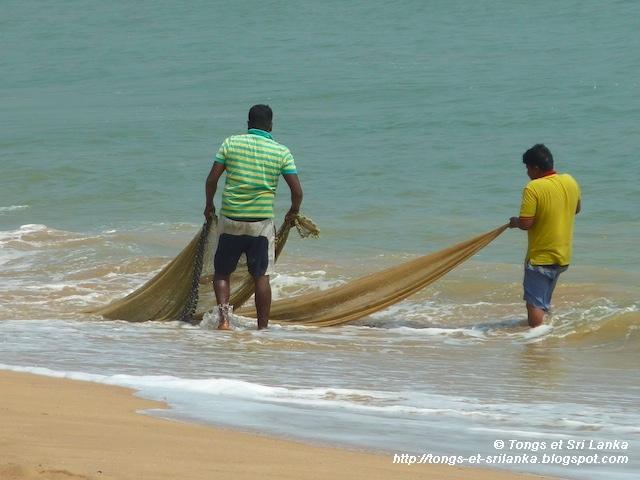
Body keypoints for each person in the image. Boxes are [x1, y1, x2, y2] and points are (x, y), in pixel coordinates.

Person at [204, 105, 303, 330]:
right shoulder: (281, 152)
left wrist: (209, 205)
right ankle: (262, 329)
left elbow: (211, 180)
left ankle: (224, 321)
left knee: (222, 272)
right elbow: (297, 192)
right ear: (270, 125)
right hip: (260, 225)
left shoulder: (231, 143)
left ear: (248, 124)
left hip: (231, 219)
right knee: (261, 277)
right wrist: (293, 212)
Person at [509, 144, 581, 328]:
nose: (527, 172)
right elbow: (577, 209)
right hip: (562, 256)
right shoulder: (570, 181)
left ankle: (537, 345)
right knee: (543, 301)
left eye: (528, 168)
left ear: (536, 168)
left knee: (533, 304)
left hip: (541, 257)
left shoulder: (533, 188)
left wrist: (514, 222)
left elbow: (526, 223)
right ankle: (547, 338)